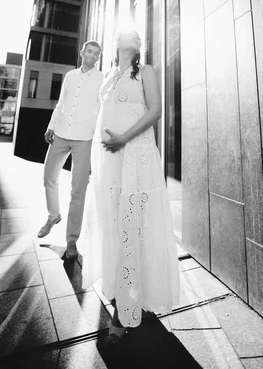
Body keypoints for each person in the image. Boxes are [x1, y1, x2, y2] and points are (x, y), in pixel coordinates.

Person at [79, 29, 179, 342]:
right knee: (115, 226)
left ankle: (126, 311)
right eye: (124, 34)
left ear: (140, 46)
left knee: (134, 227)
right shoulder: (108, 76)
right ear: (117, 43)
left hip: (138, 158)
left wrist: (123, 138)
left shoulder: (146, 71)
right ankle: (126, 292)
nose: (129, 37)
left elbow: (155, 111)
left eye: (135, 35)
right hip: (111, 164)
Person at [37, 40, 104, 260]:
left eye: (97, 54)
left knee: (78, 191)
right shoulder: (70, 76)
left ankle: (71, 241)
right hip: (62, 133)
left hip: (84, 138)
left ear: (98, 57)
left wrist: (96, 140)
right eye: (90, 52)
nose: (93, 56)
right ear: (82, 52)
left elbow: (101, 109)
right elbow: (61, 103)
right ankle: (53, 215)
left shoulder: (101, 79)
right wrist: (50, 125)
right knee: (49, 178)